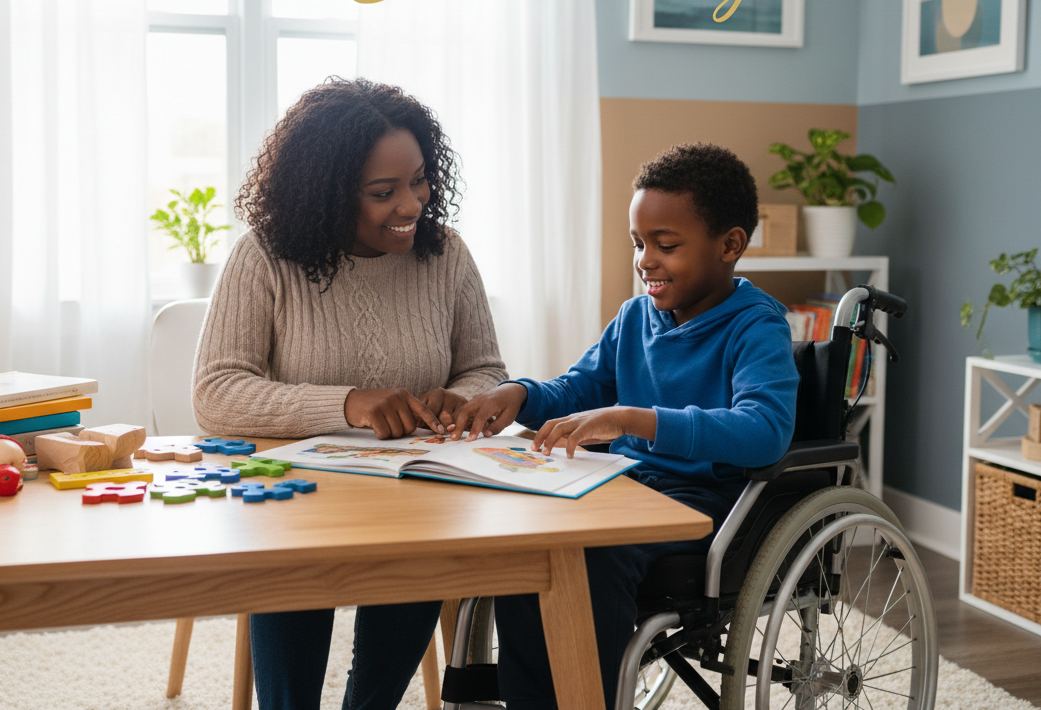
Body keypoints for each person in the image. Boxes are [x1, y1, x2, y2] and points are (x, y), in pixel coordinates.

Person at [193, 78, 508, 710]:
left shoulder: (446, 255)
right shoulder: (264, 257)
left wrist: (460, 397)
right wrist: (346, 403)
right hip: (293, 494)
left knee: (419, 549)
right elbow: (216, 392)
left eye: (419, 180)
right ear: (327, 193)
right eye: (382, 192)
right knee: (291, 561)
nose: (411, 205)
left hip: (411, 486)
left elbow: (488, 370)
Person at [451, 142, 800, 709]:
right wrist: (520, 395)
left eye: (666, 245)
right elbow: (580, 389)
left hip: (705, 503)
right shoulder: (635, 316)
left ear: (730, 245)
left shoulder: (756, 327)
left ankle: (587, 694)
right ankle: (534, 694)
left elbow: (763, 430)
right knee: (527, 541)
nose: (645, 261)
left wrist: (634, 419)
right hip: (629, 486)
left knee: (594, 552)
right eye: (638, 244)